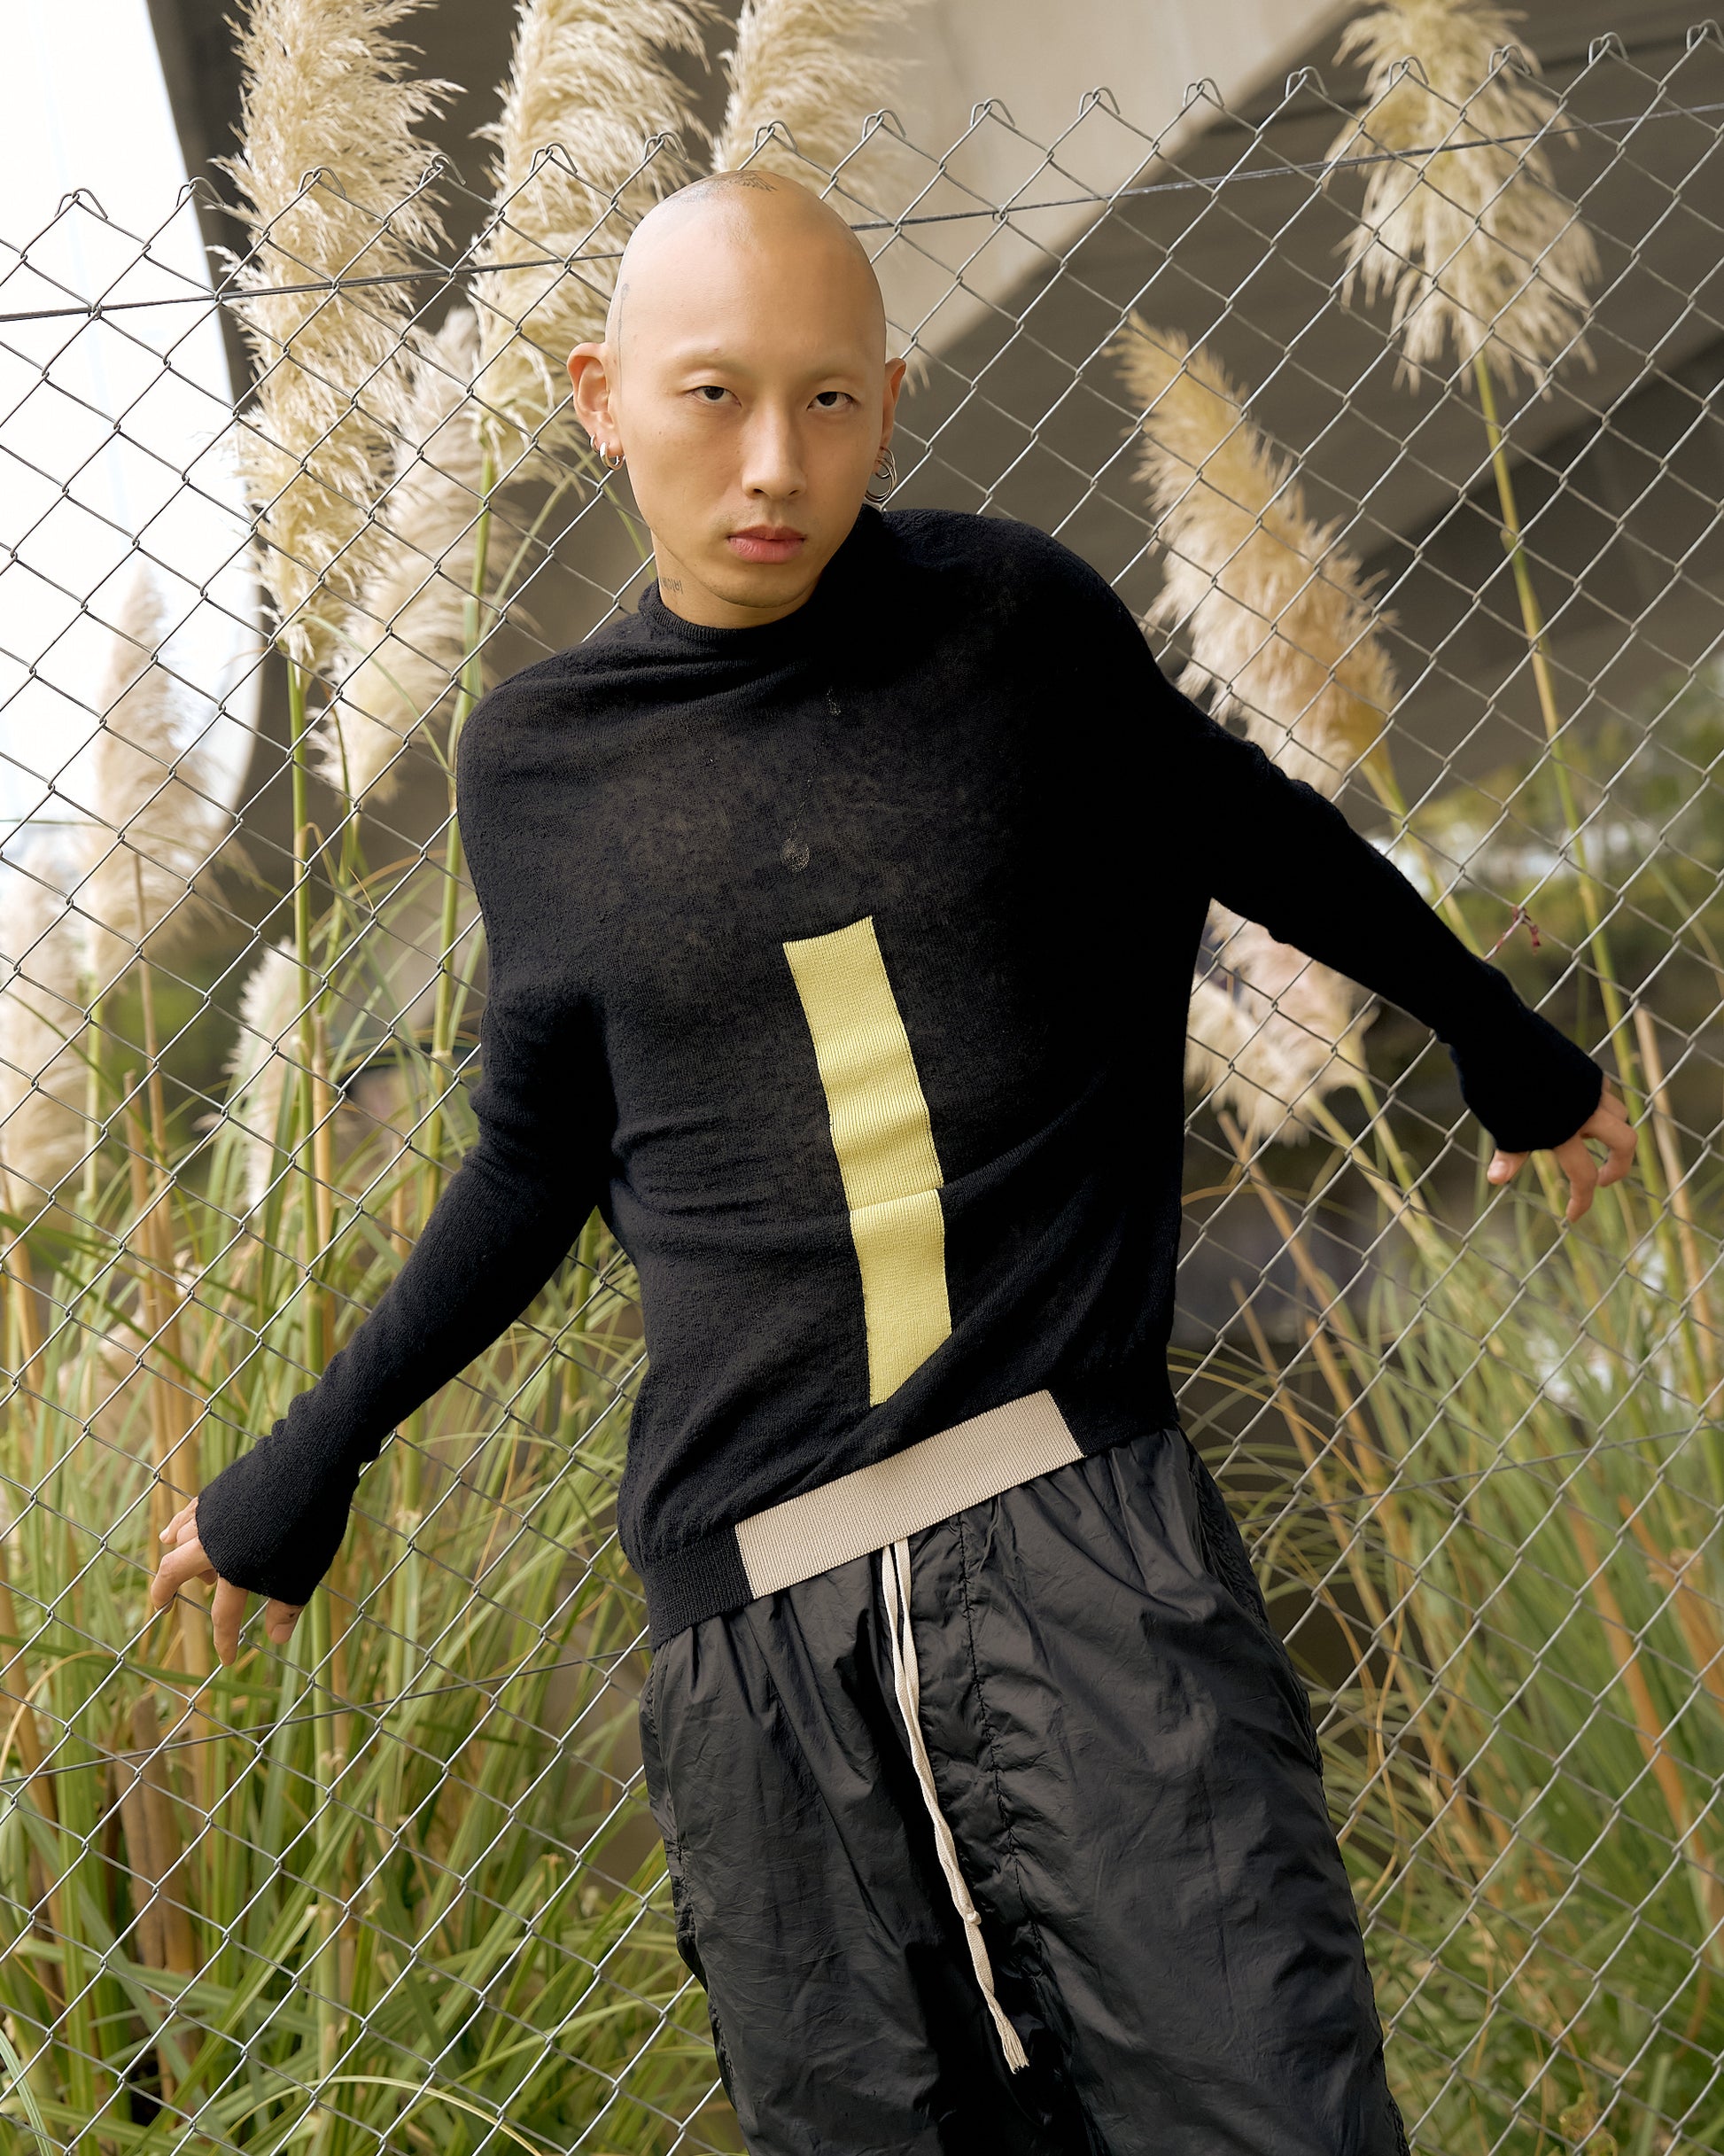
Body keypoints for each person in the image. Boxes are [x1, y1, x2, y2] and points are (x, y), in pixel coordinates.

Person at [151, 172, 1635, 2154]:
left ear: (892, 397)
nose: (775, 463)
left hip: (1088, 1563)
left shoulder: (1012, 624)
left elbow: (1256, 833)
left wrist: (1508, 1048)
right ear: (601, 397)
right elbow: (532, 1158)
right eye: (711, 396)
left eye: (829, 402)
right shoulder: (537, 762)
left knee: (1269, 2103)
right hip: (754, 1644)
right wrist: (307, 1451)